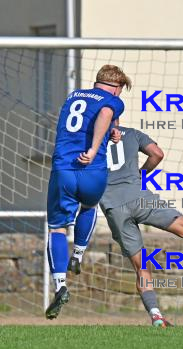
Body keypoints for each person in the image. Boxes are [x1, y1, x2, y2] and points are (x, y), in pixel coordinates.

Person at [91, 123, 183, 327]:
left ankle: (156, 317)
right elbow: (157, 154)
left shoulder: (90, 140)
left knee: (142, 267)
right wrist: (141, 174)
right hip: (141, 198)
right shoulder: (133, 134)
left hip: (113, 207)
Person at [45, 65, 130, 319]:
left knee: (57, 228)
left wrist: (113, 127)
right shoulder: (111, 101)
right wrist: (94, 149)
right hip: (92, 169)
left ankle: (60, 286)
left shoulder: (73, 96)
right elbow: (105, 111)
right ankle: (79, 254)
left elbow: (97, 115)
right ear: (116, 88)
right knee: (90, 206)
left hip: (64, 168)